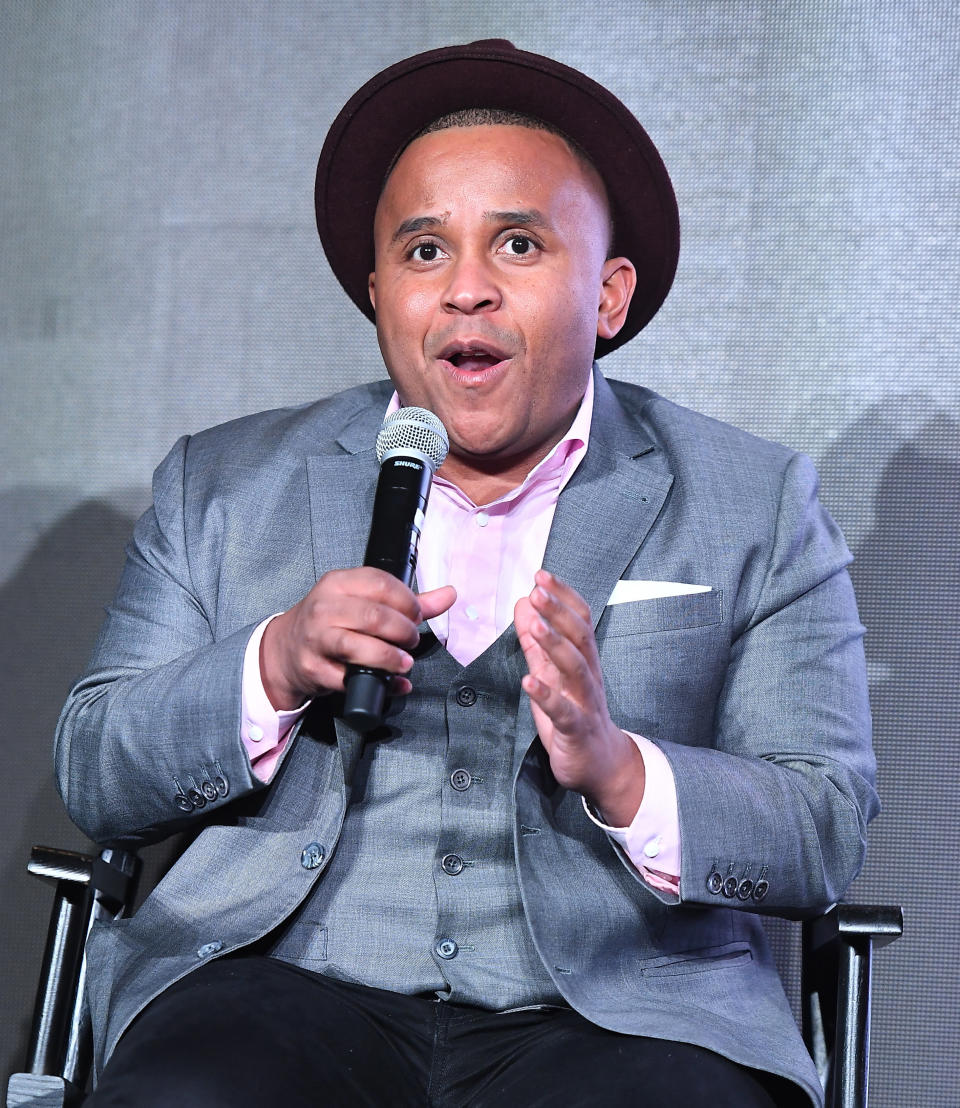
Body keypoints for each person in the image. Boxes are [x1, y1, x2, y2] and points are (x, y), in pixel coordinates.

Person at [55, 40, 877, 1107]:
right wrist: (272, 663)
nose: (468, 292)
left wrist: (622, 768)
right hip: (283, 983)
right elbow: (93, 769)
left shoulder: (753, 500)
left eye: (520, 244)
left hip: (621, 1011)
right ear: (378, 290)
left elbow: (822, 826)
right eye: (425, 251)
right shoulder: (222, 484)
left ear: (610, 295)